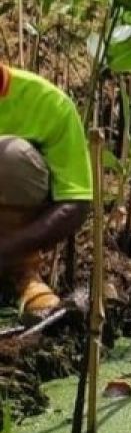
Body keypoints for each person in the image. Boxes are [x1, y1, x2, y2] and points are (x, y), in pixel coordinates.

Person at [0, 64, 92, 321]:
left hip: (15, 235)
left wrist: (8, 249)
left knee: (8, 156)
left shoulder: (47, 102)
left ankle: (21, 273)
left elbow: (76, 202)